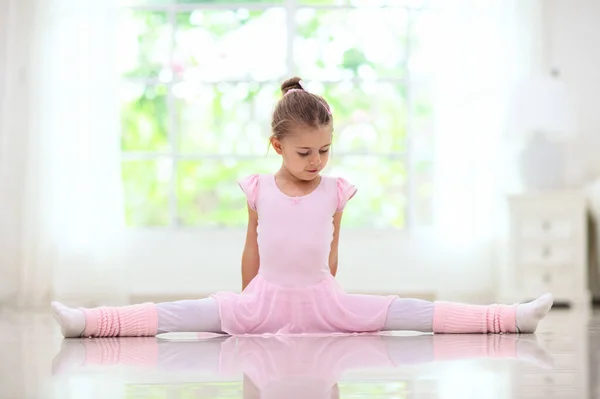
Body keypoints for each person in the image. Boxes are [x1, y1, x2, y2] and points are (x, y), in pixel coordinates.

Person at [51, 77, 554, 339]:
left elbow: (331, 252)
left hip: (323, 300)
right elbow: (252, 249)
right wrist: (247, 304)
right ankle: (89, 322)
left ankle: (509, 317)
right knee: (177, 315)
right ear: (277, 147)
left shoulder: (336, 190)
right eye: (304, 152)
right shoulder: (258, 189)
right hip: (264, 300)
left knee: (409, 312)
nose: (316, 161)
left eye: (325, 150)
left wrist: (331, 294)